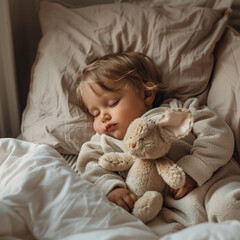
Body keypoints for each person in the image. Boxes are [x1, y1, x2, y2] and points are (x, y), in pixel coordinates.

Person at [76, 52, 240, 236]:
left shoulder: (175, 110)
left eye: (112, 103)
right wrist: (111, 187)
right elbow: (88, 165)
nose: (103, 117)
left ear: (147, 94)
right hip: (163, 212)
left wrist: (196, 167)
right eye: (95, 113)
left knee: (229, 205)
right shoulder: (103, 142)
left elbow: (216, 132)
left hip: (212, 186)